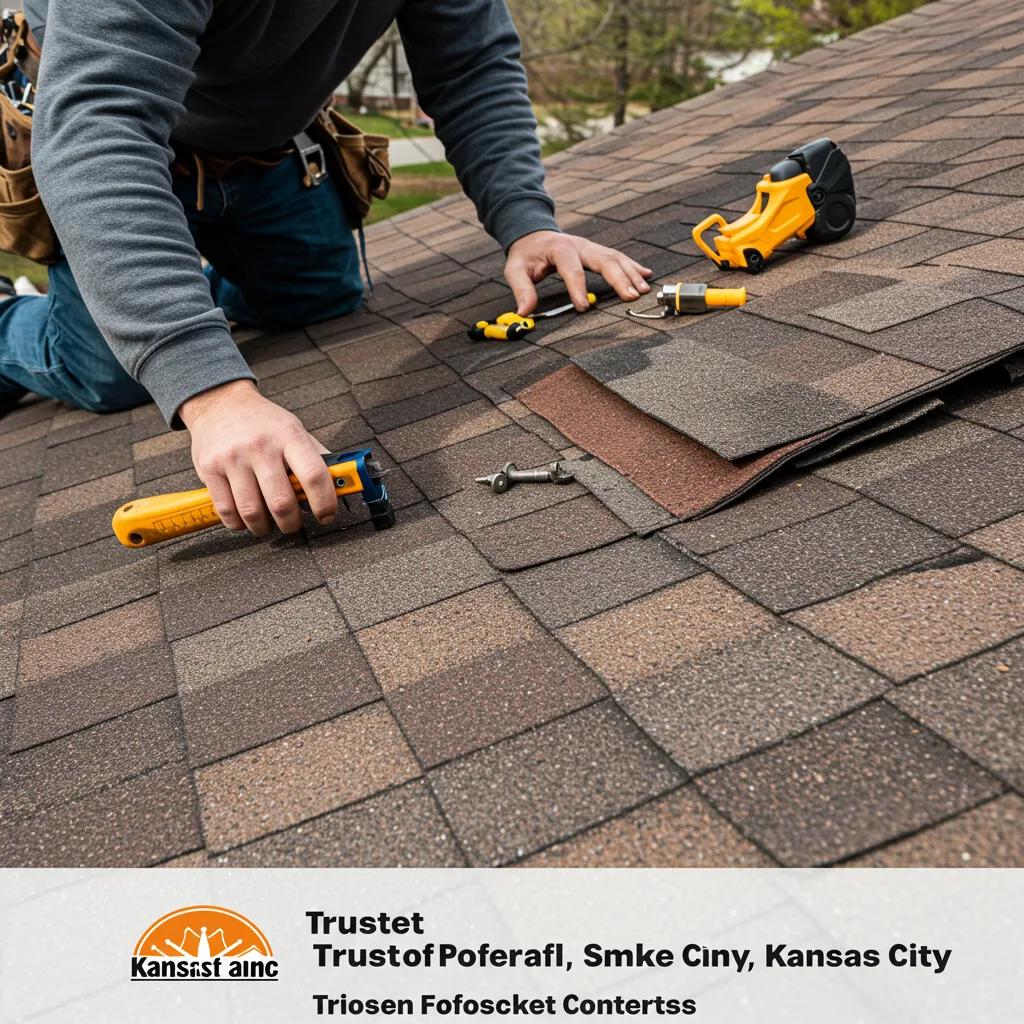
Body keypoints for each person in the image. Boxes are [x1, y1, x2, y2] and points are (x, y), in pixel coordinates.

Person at [0, 1, 651, 537]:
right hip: (113, 140)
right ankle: (15, 319)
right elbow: (99, 130)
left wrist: (525, 220)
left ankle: (158, 277)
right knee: (115, 376)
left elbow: (470, 64)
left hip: (264, 146)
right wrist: (212, 392)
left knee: (315, 302)